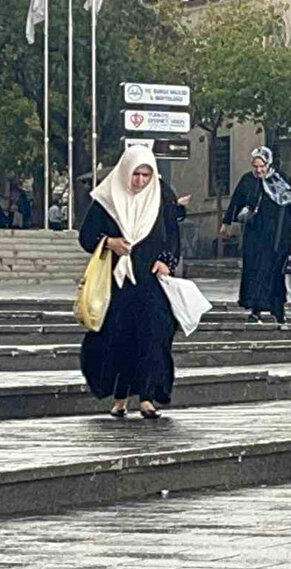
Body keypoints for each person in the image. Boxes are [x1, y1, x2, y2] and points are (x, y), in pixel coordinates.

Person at [78, 146, 185, 420]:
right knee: (118, 337)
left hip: (150, 281)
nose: (139, 181)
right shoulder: (107, 198)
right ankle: (120, 396)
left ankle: (148, 396)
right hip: (118, 283)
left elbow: (171, 234)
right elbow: (86, 236)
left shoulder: (161, 197)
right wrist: (109, 242)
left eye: (146, 175)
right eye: (135, 174)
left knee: (153, 336)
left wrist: (166, 261)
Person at [220, 147, 291, 324]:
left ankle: (278, 309)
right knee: (256, 271)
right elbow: (236, 201)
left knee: (276, 272)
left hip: (278, 235)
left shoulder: (281, 180)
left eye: (262, 166)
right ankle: (256, 308)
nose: (259, 170)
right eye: (255, 166)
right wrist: (226, 222)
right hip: (256, 235)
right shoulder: (247, 181)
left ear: (268, 164)